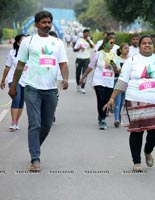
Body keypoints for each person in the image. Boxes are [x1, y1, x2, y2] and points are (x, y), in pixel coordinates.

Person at [103, 35, 155, 172]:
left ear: (153, 45)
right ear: (140, 46)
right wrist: (113, 98)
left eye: (150, 43)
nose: (147, 45)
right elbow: (122, 81)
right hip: (134, 99)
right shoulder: (132, 60)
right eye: (144, 43)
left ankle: (148, 150)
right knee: (137, 132)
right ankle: (136, 162)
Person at [8, 10, 69, 172]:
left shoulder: (57, 43)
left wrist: (65, 78)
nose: (47, 25)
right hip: (32, 88)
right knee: (35, 123)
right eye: (43, 22)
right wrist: (14, 86)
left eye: (49, 22)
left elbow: (63, 63)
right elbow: (20, 64)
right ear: (36, 25)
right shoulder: (28, 41)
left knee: (46, 125)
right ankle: (35, 157)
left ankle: (34, 147)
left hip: (50, 90)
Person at [79, 35, 121, 130]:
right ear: (105, 43)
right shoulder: (98, 54)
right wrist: (83, 77)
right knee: (101, 99)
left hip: (109, 82)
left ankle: (101, 115)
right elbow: (91, 66)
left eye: (113, 43)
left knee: (106, 100)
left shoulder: (114, 55)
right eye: (111, 42)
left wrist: (114, 65)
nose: (112, 45)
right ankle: (102, 119)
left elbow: (118, 71)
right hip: (99, 81)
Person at [1, 34, 26, 130]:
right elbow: (7, 67)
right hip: (13, 79)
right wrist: (3, 80)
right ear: (18, 43)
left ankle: (17, 121)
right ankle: (13, 122)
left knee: (21, 102)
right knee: (16, 98)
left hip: (26, 80)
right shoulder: (12, 53)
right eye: (23, 41)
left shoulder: (30, 53)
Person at [113, 43, 129, 127]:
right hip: (118, 81)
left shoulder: (130, 60)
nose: (127, 49)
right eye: (125, 48)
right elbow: (116, 70)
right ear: (120, 50)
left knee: (124, 102)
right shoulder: (116, 59)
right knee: (118, 101)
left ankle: (120, 118)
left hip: (127, 83)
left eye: (128, 48)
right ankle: (116, 119)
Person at [73, 29, 94, 94]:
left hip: (86, 59)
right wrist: (79, 48)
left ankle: (83, 87)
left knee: (85, 73)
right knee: (78, 73)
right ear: (83, 33)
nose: (86, 34)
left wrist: (88, 41)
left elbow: (92, 47)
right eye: (85, 33)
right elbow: (74, 49)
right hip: (79, 58)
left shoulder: (90, 41)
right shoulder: (79, 40)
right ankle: (78, 85)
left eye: (88, 33)